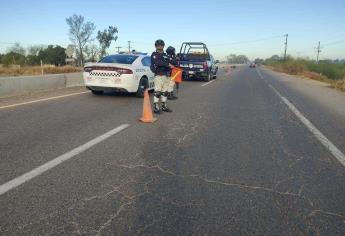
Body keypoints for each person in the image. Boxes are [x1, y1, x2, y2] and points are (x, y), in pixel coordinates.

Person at [151, 39, 174, 113]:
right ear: (156, 46)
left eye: (161, 45)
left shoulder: (166, 55)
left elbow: (172, 62)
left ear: (163, 46)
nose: (160, 46)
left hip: (167, 75)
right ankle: (156, 107)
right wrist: (168, 64)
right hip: (159, 75)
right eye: (158, 45)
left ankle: (164, 106)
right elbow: (158, 62)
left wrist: (174, 59)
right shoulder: (154, 55)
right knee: (157, 92)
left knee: (165, 92)